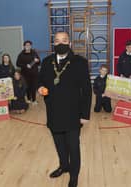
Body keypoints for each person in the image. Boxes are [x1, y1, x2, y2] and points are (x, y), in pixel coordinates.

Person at [38, 32, 92, 187]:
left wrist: (85, 115)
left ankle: (74, 176)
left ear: (69, 43)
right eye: (57, 41)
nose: (60, 43)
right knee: (59, 144)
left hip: (73, 114)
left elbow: (87, 90)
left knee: (73, 147)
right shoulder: (47, 61)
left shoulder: (79, 62)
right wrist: (40, 87)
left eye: (64, 40)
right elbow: (40, 80)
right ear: (53, 43)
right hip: (54, 112)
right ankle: (64, 166)